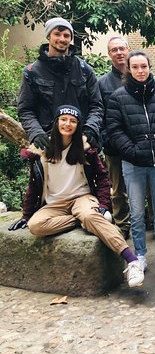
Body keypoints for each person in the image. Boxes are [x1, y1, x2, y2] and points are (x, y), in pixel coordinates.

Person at [10, 105, 144, 288]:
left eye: (73, 121)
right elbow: (33, 186)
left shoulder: (85, 148)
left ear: (78, 125)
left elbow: (103, 177)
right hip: (55, 203)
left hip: (82, 197)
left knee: (90, 215)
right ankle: (79, 220)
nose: (67, 124)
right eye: (63, 119)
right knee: (35, 226)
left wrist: (104, 205)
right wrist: (26, 216)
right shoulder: (42, 150)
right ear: (56, 122)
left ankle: (132, 261)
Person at [106, 51, 155, 273]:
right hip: (133, 164)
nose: (140, 71)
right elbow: (115, 129)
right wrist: (132, 151)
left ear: (150, 68)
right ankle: (139, 254)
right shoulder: (118, 97)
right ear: (128, 69)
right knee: (136, 211)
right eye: (135, 67)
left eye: (144, 66)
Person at [18, 17, 104, 151]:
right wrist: (36, 133)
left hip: (81, 144)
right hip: (47, 144)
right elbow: (25, 109)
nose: (62, 39)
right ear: (48, 36)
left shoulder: (85, 70)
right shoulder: (32, 72)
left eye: (66, 35)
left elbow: (96, 105)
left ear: (71, 39)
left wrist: (90, 129)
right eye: (57, 34)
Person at [98, 36, 131, 239]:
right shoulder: (102, 83)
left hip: (140, 144)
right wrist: (105, 139)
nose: (119, 53)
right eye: (114, 50)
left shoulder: (140, 75)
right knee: (118, 189)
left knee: (146, 188)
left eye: (122, 48)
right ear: (109, 54)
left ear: (128, 50)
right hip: (114, 146)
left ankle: (153, 222)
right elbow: (98, 112)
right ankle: (123, 224)